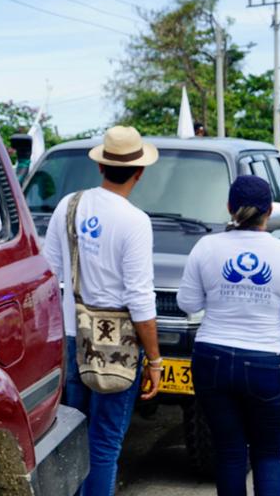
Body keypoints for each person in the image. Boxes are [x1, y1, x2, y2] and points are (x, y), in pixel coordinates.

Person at [41, 125, 162, 496]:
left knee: (76, 438)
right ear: (139, 172)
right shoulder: (135, 221)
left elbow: (49, 274)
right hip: (117, 349)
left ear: (100, 167)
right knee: (105, 445)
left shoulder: (69, 205)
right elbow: (140, 299)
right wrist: (155, 360)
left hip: (73, 340)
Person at [177, 175, 280, 496]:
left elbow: (188, 303)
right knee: (268, 455)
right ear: (270, 212)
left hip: (212, 359)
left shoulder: (206, 247)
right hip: (267, 360)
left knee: (229, 453)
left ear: (229, 207)